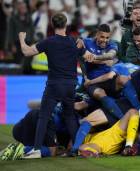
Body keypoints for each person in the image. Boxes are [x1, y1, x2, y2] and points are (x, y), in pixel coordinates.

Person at [18, 13, 94, 159]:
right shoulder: (74, 42)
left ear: (52, 25)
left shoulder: (48, 42)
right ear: (66, 25)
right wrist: (84, 43)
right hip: (71, 85)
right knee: (70, 115)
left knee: (44, 115)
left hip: (54, 85)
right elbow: (89, 57)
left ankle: (37, 149)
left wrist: (22, 39)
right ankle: (76, 148)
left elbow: (26, 52)